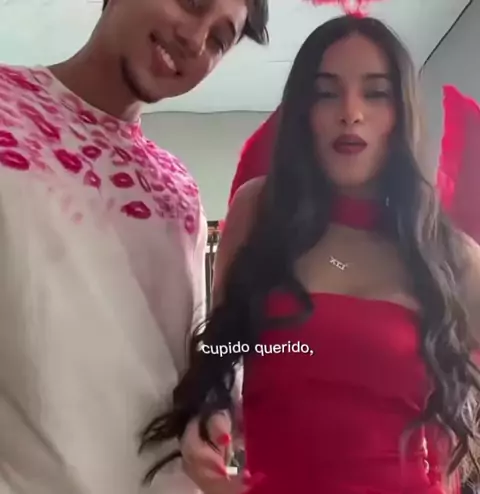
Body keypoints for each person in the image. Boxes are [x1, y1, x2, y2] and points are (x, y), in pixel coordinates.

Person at [139, 15, 480, 494]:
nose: (350, 112)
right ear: (304, 112)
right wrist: (209, 411)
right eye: (326, 93)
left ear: (401, 114)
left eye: (375, 93)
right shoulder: (259, 212)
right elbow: (221, 350)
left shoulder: (452, 257)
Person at [0, 1, 268, 493]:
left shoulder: (178, 189)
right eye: (191, 3)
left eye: (219, 40)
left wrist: (214, 408)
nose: (196, 40)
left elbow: (187, 366)